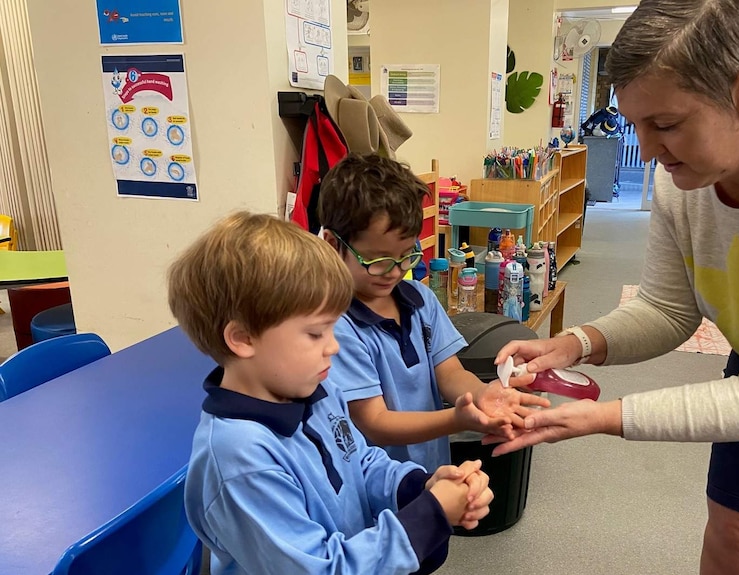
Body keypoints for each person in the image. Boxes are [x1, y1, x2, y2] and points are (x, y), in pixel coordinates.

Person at [490, 2, 739, 574]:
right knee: (738, 540)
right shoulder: (684, 179)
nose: (649, 149)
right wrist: (574, 345)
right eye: (636, 123)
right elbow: (668, 309)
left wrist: (601, 417)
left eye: (664, 125)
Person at [167, 212, 494, 575]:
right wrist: (430, 513)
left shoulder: (317, 391)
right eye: (315, 334)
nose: (333, 347)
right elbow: (322, 569)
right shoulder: (239, 459)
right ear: (243, 338)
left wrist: (419, 488)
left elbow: (361, 462)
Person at [318, 153, 548, 473]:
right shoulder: (335, 328)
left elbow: (450, 374)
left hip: (431, 472)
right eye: (378, 260)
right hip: (376, 490)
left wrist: (482, 396)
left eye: (406, 255)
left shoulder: (420, 299)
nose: (396, 271)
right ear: (332, 244)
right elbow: (375, 422)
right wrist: (455, 420)